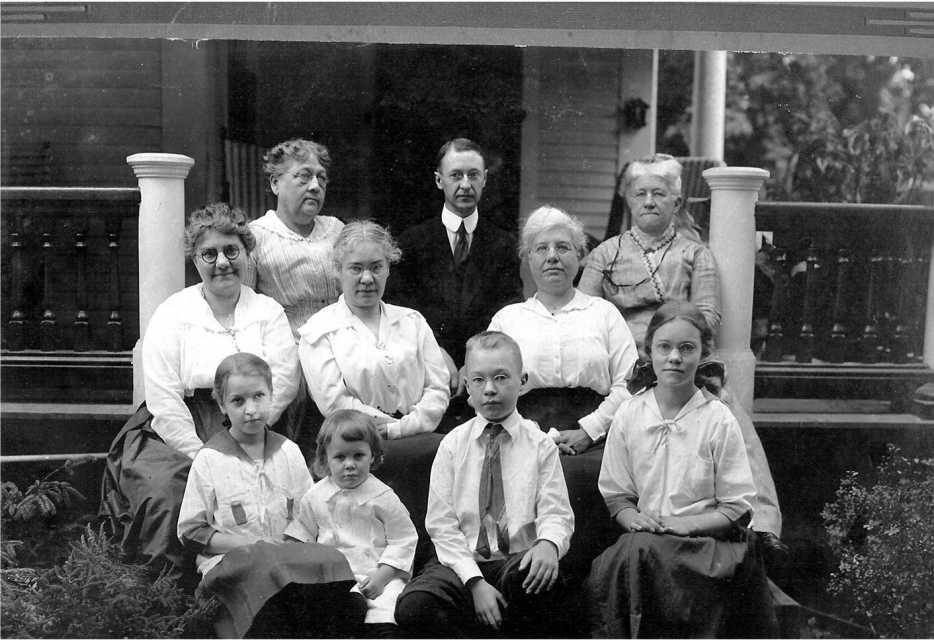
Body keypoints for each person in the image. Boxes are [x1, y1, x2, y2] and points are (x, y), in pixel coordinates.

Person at [101, 203, 299, 575]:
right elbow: (162, 396)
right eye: (210, 253)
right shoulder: (173, 312)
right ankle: (171, 596)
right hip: (176, 429)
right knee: (168, 491)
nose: (222, 262)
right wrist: (201, 454)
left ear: (246, 254)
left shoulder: (268, 311)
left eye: (231, 251)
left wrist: (249, 427)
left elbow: (284, 381)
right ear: (196, 260)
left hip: (253, 422)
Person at [587, 302, 777, 638]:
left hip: (709, 547)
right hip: (649, 539)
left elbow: (736, 508)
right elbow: (617, 495)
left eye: (687, 348)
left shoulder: (718, 418)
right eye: (665, 347)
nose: (675, 357)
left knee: (637, 553)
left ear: (703, 353)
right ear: (650, 353)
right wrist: (631, 517)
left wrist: (682, 525)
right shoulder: (630, 414)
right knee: (616, 563)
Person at [394, 331, 575, 638]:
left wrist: (549, 544)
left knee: (540, 579)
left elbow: (555, 512)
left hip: (516, 558)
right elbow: (441, 525)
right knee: (415, 606)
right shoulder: (453, 444)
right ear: (468, 386)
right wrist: (475, 582)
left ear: (523, 380)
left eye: (501, 377)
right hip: (460, 561)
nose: (490, 389)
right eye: (478, 380)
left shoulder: (540, 444)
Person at [177, 353, 361, 638]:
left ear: (272, 395)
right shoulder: (210, 458)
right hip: (232, 562)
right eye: (238, 401)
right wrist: (253, 542)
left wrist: (294, 543)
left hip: (286, 559)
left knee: (333, 562)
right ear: (222, 405)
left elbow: (309, 515)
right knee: (269, 568)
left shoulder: (288, 451)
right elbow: (191, 531)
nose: (251, 409)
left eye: (258, 396)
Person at [386, 137, 523, 421]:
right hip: (427, 373)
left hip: (485, 378)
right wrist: (436, 352)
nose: (465, 184)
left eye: (473, 175)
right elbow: (400, 312)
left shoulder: (503, 243)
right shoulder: (412, 242)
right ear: (439, 180)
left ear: (484, 179)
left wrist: (475, 362)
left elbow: (509, 311)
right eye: (456, 175)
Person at [488, 205, 638, 456]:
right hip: (521, 441)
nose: (552, 256)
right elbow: (489, 387)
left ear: (579, 255)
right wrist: (529, 434)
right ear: (528, 258)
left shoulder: (604, 313)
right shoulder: (507, 320)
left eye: (563, 247)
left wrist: (589, 431)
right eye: (541, 248)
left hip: (597, 442)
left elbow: (629, 384)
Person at [299, 220, 449, 440]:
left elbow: (438, 387)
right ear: (338, 270)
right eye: (356, 268)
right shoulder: (319, 331)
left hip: (419, 442)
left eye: (376, 267)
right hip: (356, 444)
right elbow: (335, 403)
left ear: (388, 268)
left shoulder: (412, 321)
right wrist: (387, 429)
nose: (367, 279)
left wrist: (401, 428)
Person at [285, 409, 419, 637]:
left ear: (373, 456)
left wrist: (382, 577)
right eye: (340, 457)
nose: (350, 464)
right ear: (325, 458)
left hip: (376, 576)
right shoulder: (316, 495)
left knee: (382, 619)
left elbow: (404, 540)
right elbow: (302, 535)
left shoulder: (383, 497)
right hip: (334, 579)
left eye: (358, 456)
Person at [578, 153, 720, 354]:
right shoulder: (605, 253)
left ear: (677, 203)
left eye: (659, 194)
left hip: (676, 355)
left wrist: (669, 344)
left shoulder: (696, 254)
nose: (649, 202)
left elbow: (707, 317)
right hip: (617, 354)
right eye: (640, 194)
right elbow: (584, 313)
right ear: (629, 201)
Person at [244, 138, 344, 337]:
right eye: (304, 176)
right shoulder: (254, 237)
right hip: (285, 350)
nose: (315, 186)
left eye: (321, 178)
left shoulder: (337, 230)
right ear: (275, 183)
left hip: (342, 345)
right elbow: (245, 309)